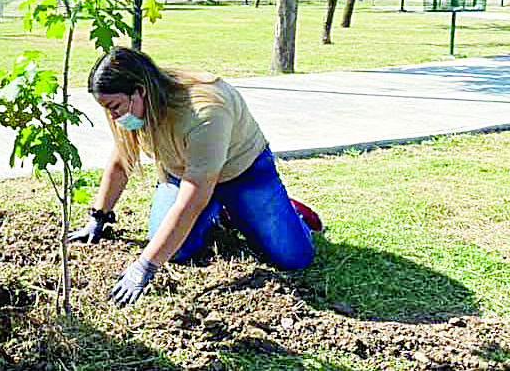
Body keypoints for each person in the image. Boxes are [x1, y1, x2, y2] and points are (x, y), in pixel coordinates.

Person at [69, 46, 322, 307]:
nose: (112, 116)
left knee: (293, 258)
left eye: (114, 106)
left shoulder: (204, 112)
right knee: (175, 251)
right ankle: (223, 212)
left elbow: (191, 200)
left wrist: (144, 267)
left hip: (243, 173)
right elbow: (122, 161)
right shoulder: (133, 109)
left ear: (140, 91)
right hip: (184, 174)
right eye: (106, 108)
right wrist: (97, 218)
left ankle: (286, 211)